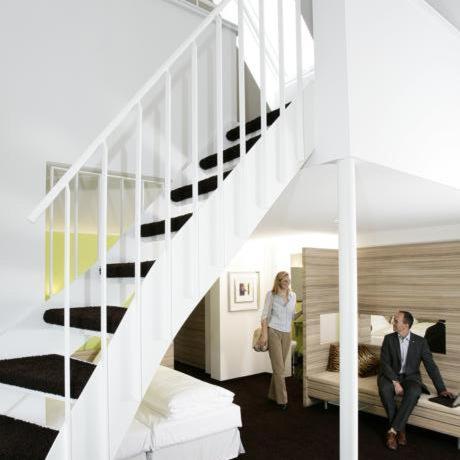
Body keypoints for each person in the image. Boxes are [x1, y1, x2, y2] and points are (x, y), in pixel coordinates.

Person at [378, 310, 454, 450]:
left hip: (410, 377)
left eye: (396, 321)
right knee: (384, 389)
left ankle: (392, 430)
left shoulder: (420, 342)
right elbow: (384, 363)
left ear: (406, 324)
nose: (393, 323)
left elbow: (431, 366)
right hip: (390, 376)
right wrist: (395, 382)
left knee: (414, 391)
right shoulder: (389, 339)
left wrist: (441, 389)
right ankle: (401, 429)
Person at [257, 271, 302, 410]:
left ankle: (272, 395)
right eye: (283, 279)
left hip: (287, 334)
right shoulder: (271, 295)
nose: (286, 281)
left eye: (288, 279)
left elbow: (291, 317)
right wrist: (264, 335)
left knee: (279, 367)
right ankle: (283, 400)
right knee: (280, 369)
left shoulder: (293, 296)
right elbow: (264, 317)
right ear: (278, 281)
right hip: (274, 332)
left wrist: (302, 312)